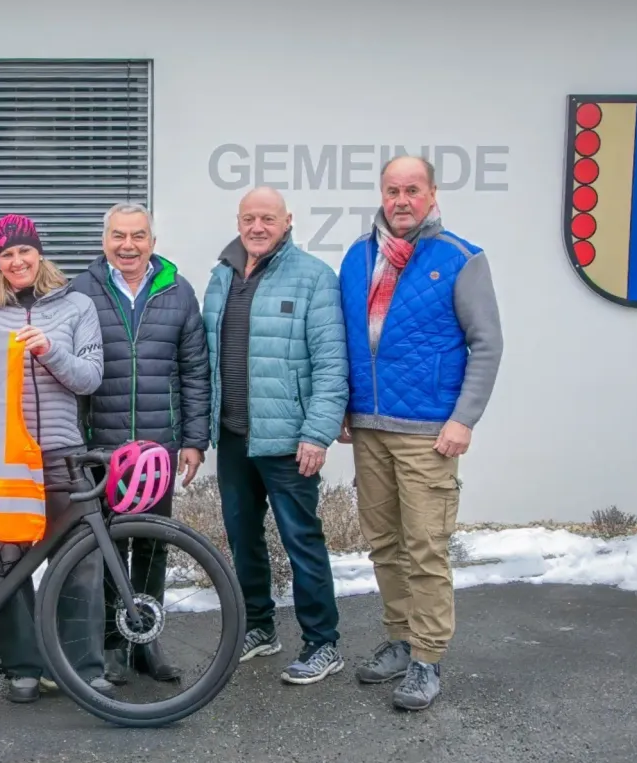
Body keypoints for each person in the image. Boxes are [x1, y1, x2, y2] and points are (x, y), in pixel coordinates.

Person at [337, 156, 503, 711]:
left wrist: (464, 418)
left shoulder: (460, 258)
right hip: (369, 427)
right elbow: (345, 341)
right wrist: (342, 409)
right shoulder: (358, 258)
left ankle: (428, 657)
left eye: (412, 189)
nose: (401, 199)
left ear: (431, 195)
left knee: (425, 546)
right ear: (381, 196)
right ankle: (401, 638)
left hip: (429, 432)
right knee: (384, 542)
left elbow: (487, 343)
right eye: (392, 190)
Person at [0, 214, 111, 704]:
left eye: (24, 252)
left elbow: (89, 378)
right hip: (3, 457)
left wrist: (49, 351)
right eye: (6, 255)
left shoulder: (77, 305)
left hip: (63, 451)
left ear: (39, 253)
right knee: (9, 562)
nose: (16, 261)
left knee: (80, 561)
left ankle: (80, 667)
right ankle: (24, 666)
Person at [201, 186, 349, 686]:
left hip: (290, 440)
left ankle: (323, 642)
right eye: (249, 218)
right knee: (244, 538)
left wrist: (318, 433)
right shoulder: (221, 277)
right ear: (238, 222)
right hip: (235, 435)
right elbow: (207, 361)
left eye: (267, 218)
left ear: (288, 221)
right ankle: (260, 628)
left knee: (301, 540)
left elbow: (332, 365)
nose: (257, 227)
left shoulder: (314, 278)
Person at [70, 202, 209, 684]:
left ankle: (145, 639)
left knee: (152, 544)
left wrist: (193, 440)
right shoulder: (82, 290)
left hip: (157, 449)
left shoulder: (177, 290)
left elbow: (194, 371)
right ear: (104, 239)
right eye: (118, 236)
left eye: (138, 236)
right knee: (108, 546)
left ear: (152, 240)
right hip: (102, 446)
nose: (127, 245)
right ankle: (111, 642)